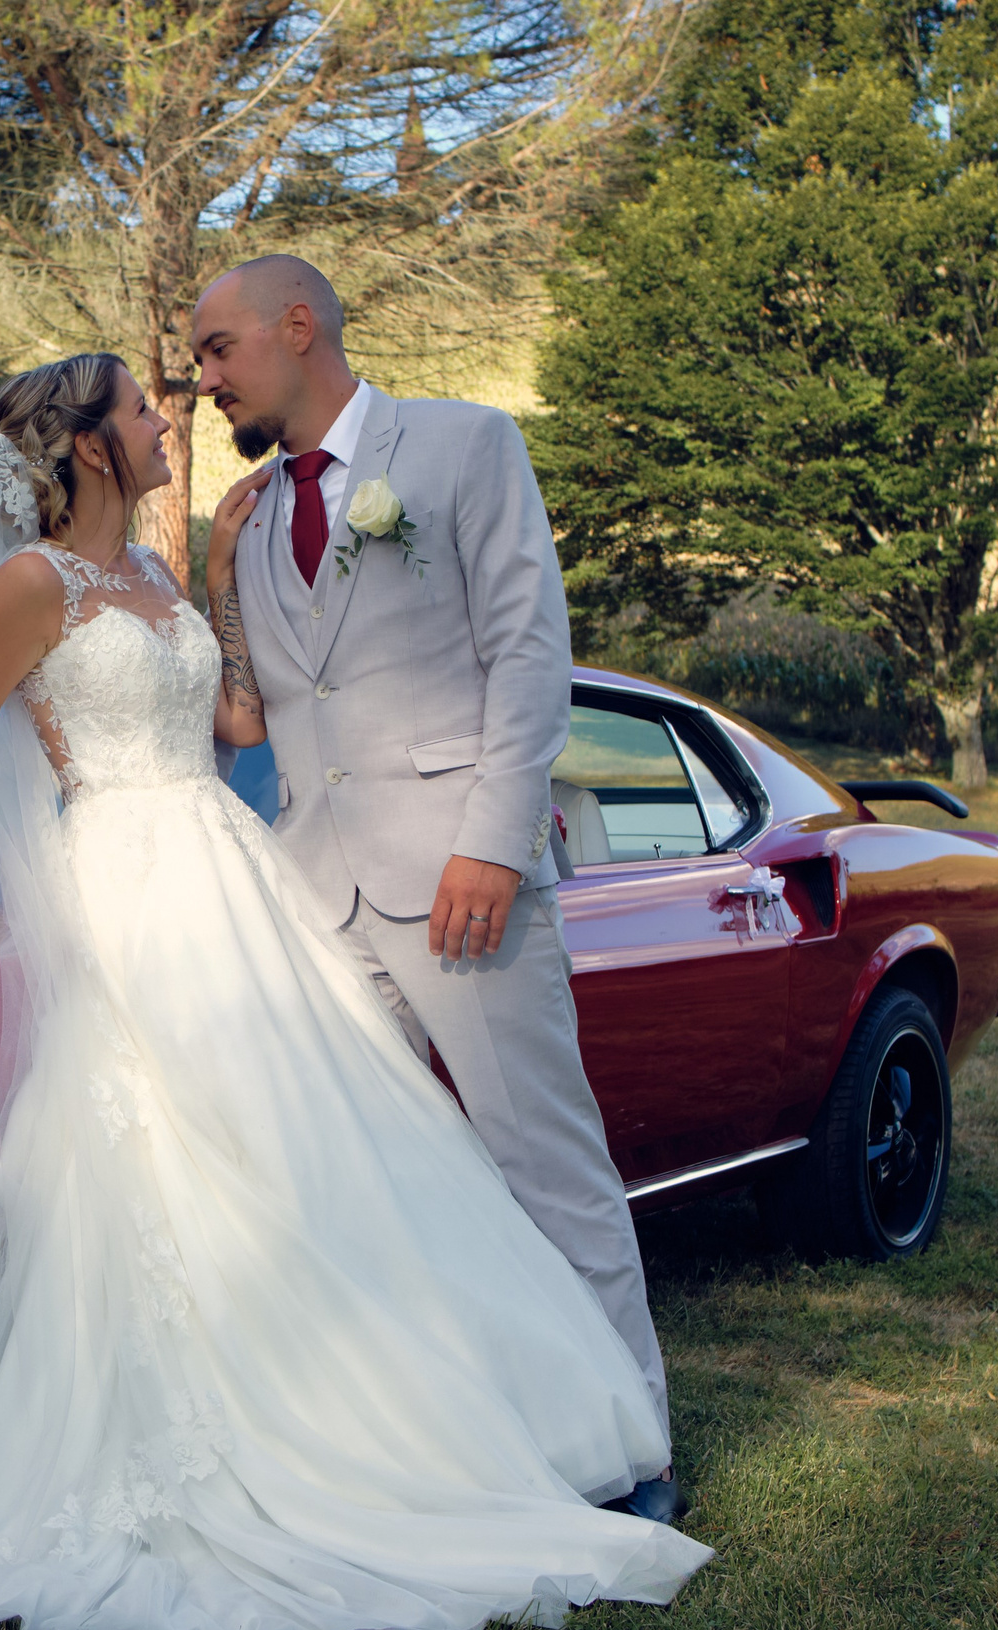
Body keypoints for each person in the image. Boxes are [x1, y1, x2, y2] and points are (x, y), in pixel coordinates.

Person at [0, 351, 710, 1630]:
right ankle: (225, 1443)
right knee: (176, 1153)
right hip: (128, 888)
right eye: (141, 409)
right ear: (89, 445)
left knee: (319, 1152)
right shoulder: (31, 587)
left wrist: (224, 584)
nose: (165, 418)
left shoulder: (152, 570)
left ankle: (404, 1416)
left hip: (229, 873)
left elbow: (235, 722)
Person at [193, 255, 682, 1524]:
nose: (202, 380)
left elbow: (526, 652)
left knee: (542, 1161)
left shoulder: (466, 447)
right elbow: (259, 709)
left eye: (217, 349)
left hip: (461, 883)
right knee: (360, 1181)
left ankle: (632, 1453)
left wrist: (493, 844)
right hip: (319, 899)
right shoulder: (250, 512)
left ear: (297, 326)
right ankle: (422, 1446)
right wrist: (214, 574)